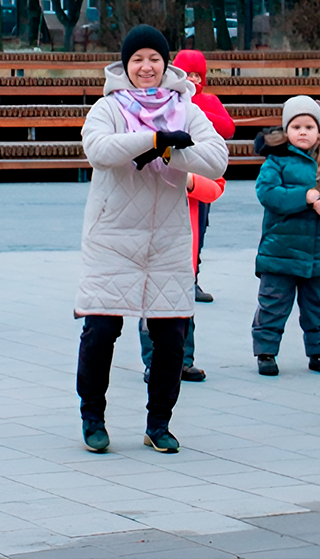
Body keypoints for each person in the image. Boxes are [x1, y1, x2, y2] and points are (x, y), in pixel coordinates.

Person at [75, 25, 228, 454]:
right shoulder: (109, 108)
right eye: (138, 59)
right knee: (101, 330)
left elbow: (216, 159)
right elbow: (100, 151)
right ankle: (93, 418)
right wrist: (154, 139)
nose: (147, 67)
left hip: (167, 240)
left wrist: (170, 151)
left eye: (155, 59)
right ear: (126, 65)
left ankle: (158, 424)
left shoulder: (187, 109)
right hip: (113, 237)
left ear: (166, 66)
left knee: (171, 335)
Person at [251, 96, 320, 377]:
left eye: (309, 126)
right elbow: (268, 195)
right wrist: (304, 196)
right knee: (273, 304)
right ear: (286, 130)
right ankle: (266, 351)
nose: (302, 132)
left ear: (318, 130)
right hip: (280, 251)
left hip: (319, 254)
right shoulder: (277, 161)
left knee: (319, 306)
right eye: (296, 126)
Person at [139, 173, 225, 384]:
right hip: (150, 244)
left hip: (185, 250)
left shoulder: (198, 148)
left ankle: (183, 361)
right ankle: (154, 363)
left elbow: (215, 186)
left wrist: (191, 181)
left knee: (184, 309)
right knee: (152, 308)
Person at [171, 49, 235, 303]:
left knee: (200, 228)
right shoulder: (169, 100)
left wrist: (195, 113)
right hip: (176, 171)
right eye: (188, 75)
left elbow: (228, 128)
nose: (193, 81)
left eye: (198, 75)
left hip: (202, 173)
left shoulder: (209, 101)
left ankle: (193, 278)